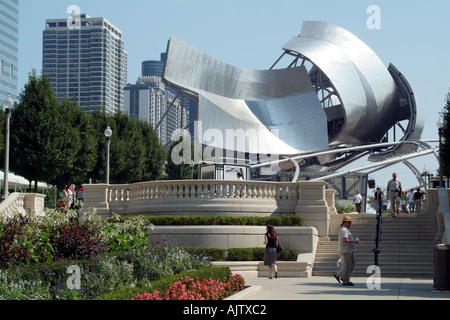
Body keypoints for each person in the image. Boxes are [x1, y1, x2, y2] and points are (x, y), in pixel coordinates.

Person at [338, 215, 359, 286]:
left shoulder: (344, 229)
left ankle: (344, 277)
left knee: (351, 264)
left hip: (348, 251)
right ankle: (345, 280)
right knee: (348, 266)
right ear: (346, 222)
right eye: (349, 222)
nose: (350, 224)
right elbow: (344, 240)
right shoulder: (344, 230)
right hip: (347, 251)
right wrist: (354, 242)